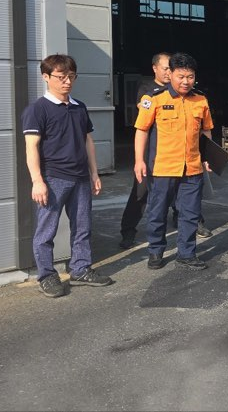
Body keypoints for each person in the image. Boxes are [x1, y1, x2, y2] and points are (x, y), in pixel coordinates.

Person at [22, 54, 113, 297]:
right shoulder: (37, 110)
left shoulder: (79, 107)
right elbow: (31, 146)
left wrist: (94, 173)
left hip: (81, 177)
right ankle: (47, 275)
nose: (67, 82)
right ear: (46, 77)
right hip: (53, 179)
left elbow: (88, 141)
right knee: (46, 231)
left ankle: (81, 268)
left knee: (83, 226)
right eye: (61, 77)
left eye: (71, 76)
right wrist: (37, 181)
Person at [119, 52, 210, 249]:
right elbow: (142, 125)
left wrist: (208, 156)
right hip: (157, 157)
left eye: (189, 76)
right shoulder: (149, 92)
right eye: (167, 69)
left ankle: (189, 245)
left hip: (188, 161)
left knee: (189, 206)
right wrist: (139, 160)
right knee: (145, 198)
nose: (169, 73)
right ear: (155, 69)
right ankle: (130, 232)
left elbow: (205, 130)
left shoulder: (199, 99)